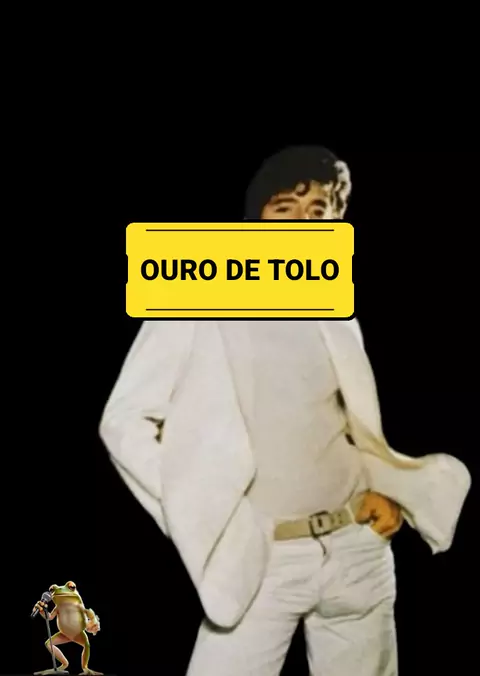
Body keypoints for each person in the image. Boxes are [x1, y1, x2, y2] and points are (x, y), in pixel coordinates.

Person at [99, 145, 471, 675]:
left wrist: (381, 490)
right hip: (262, 560)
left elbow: (340, 423)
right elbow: (123, 421)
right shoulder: (198, 300)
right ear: (256, 218)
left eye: (318, 211)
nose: (301, 223)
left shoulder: (334, 309)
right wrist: (198, 509)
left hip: (356, 550)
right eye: (285, 208)